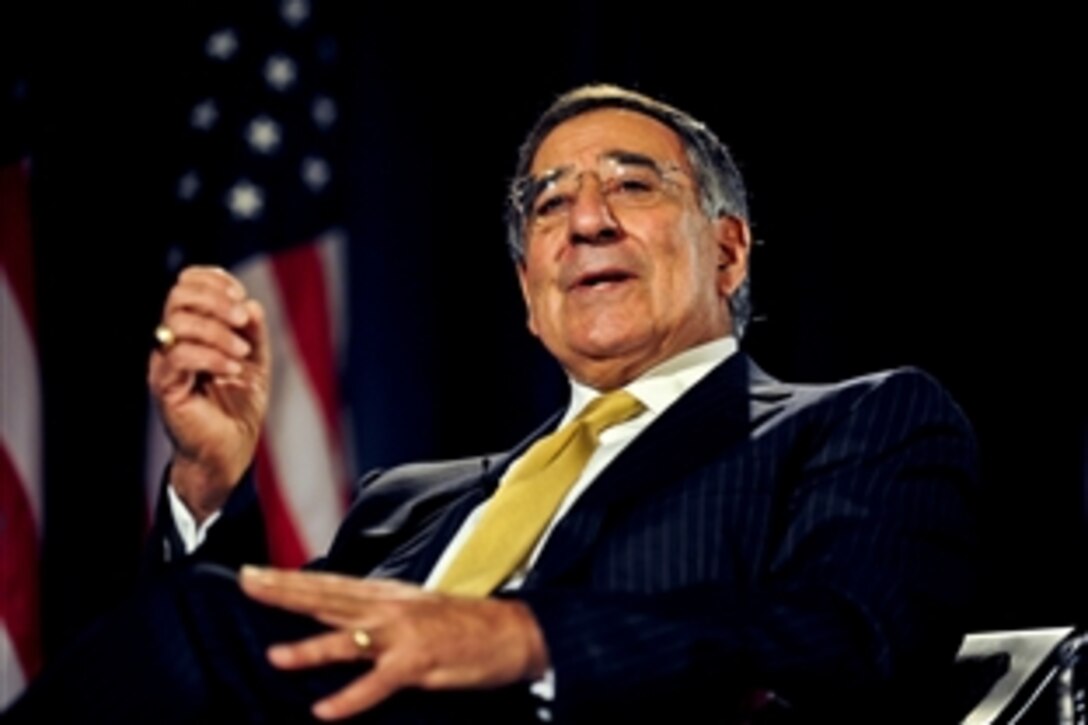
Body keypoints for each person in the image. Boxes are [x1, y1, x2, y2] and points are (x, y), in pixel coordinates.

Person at [3, 84, 979, 723]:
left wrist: (523, 636)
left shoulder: (858, 420)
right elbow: (254, 668)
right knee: (197, 615)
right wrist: (209, 488)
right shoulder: (406, 497)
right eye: (547, 205)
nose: (583, 218)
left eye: (629, 185)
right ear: (526, 288)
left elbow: (858, 639)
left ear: (726, 251)